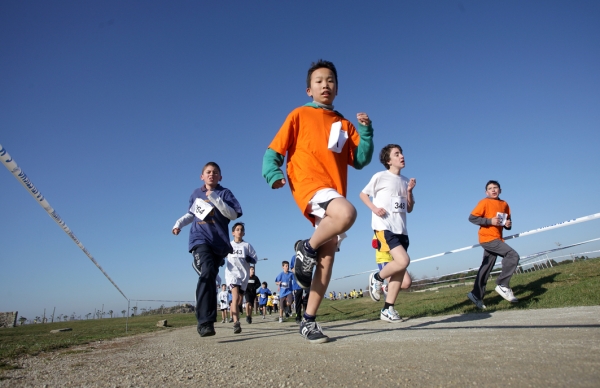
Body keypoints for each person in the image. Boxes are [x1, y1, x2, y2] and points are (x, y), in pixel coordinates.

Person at [262, 59, 374, 343]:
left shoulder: (343, 123)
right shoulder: (299, 114)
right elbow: (274, 150)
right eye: (319, 81)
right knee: (347, 214)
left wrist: (366, 133)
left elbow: (360, 160)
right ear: (308, 89)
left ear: (337, 88)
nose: (326, 85)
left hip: (333, 192)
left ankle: (308, 320)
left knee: (328, 258)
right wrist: (272, 172)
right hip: (309, 184)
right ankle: (305, 248)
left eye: (331, 81)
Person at [172, 162, 242, 337]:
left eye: (215, 172)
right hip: (199, 239)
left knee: (211, 275)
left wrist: (215, 199)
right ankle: (205, 322)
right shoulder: (196, 194)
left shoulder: (225, 193)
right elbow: (191, 214)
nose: (212, 174)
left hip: (218, 244)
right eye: (208, 172)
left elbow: (232, 215)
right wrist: (178, 224)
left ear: (220, 177)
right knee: (208, 271)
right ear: (202, 176)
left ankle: (206, 318)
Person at [360, 144, 416, 323]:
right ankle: (377, 278)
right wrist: (374, 208)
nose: (402, 156)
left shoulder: (406, 180)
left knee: (400, 270)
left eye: (402, 153)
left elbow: (409, 208)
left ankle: (387, 309)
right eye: (397, 154)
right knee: (404, 261)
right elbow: (363, 195)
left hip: (402, 229)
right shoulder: (380, 176)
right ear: (388, 160)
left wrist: (409, 191)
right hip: (384, 226)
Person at [467, 180, 520, 309]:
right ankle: (503, 285)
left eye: (495, 187)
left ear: (500, 190)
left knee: (486, 267)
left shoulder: (504, 204)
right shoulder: (484, 202)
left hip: (497, 238)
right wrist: (489, 220)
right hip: (487, 238)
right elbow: (472, 218)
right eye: (490, 188)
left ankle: (476, 295)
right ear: (487, 192)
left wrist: (508, 225)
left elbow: (507, 222)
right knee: (512, 255)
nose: (493, 190)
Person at [225, 222, 258, 333]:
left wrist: (250, 259)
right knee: (235, 297)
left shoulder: (247, 246)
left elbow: (255, 258)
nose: (239, 231)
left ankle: (237, 309)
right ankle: (236, 323)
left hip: (244, 275)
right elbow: (221, 255)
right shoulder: (228, 245)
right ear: (233, 232)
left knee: (239, 299)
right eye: (237, 229)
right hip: (232, 274)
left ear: (243, 233)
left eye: (241, 229)